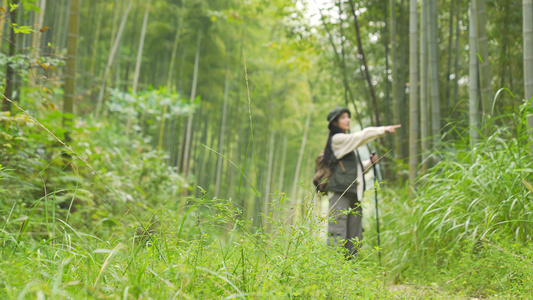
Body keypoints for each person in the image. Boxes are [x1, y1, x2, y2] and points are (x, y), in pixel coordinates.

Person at [323, 106, 401, 258]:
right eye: (343, 117)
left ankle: (350, 273)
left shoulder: (349, 145)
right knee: (337, 233)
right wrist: (383, 129)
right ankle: (332, 273)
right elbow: (361, 136)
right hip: (340, 193)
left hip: (353, 192)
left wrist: (369, 163)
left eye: (348, 116)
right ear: (334, 123)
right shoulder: (338, 140)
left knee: (354, 235)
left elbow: (355, 170)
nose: (348, 120)